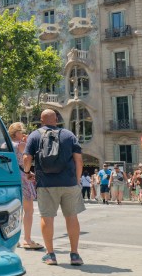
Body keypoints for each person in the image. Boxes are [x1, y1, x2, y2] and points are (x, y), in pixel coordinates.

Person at [23, 109, 85, 266]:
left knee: (47, 217)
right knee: (71, 217)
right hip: (69, 183)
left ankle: (50, 255)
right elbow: (79, 160)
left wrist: (27, 172)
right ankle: (75, 255)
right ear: (56, 119)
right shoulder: (69, 135)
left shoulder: (35, 135)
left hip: (45, 184)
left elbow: (27, 158)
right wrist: (77, 180)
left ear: (41, 121)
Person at [6, 122, 42, 250]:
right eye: (21, 131)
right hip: (22, 178)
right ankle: (27, 239)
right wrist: (27, 142)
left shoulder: (5, 145)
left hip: (10, 177)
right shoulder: (21, 145)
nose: (23, 133)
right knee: (28, 210)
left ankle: (13, 239)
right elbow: (29, 157)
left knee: (13, 210)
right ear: (17, 133)